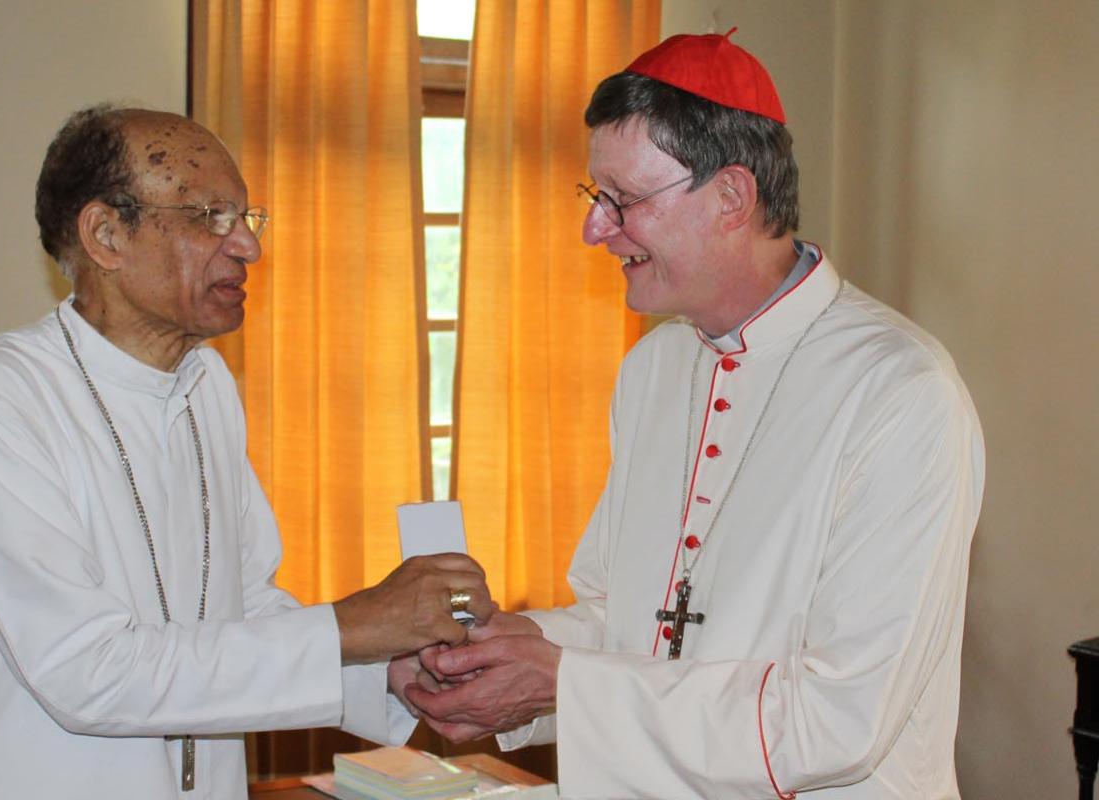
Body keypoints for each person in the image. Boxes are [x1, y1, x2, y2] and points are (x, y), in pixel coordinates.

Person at [401, 30, 985, 799]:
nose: (594, 229)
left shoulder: (899, 391)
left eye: (623, 200)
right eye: (594, 197)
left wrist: (561, 684)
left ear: (732, 197)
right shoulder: (654, 368)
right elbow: (622, 618)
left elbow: (838, 722)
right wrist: (504, 654)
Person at [0, 106, 492, 799]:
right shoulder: (1, 401)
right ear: (106, 234)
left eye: (247, 219)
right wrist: (353, 626)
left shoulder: (206, 384)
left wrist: (383, 669)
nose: (247, 248)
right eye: (210, 217)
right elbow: (87, 672)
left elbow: (244, 603)